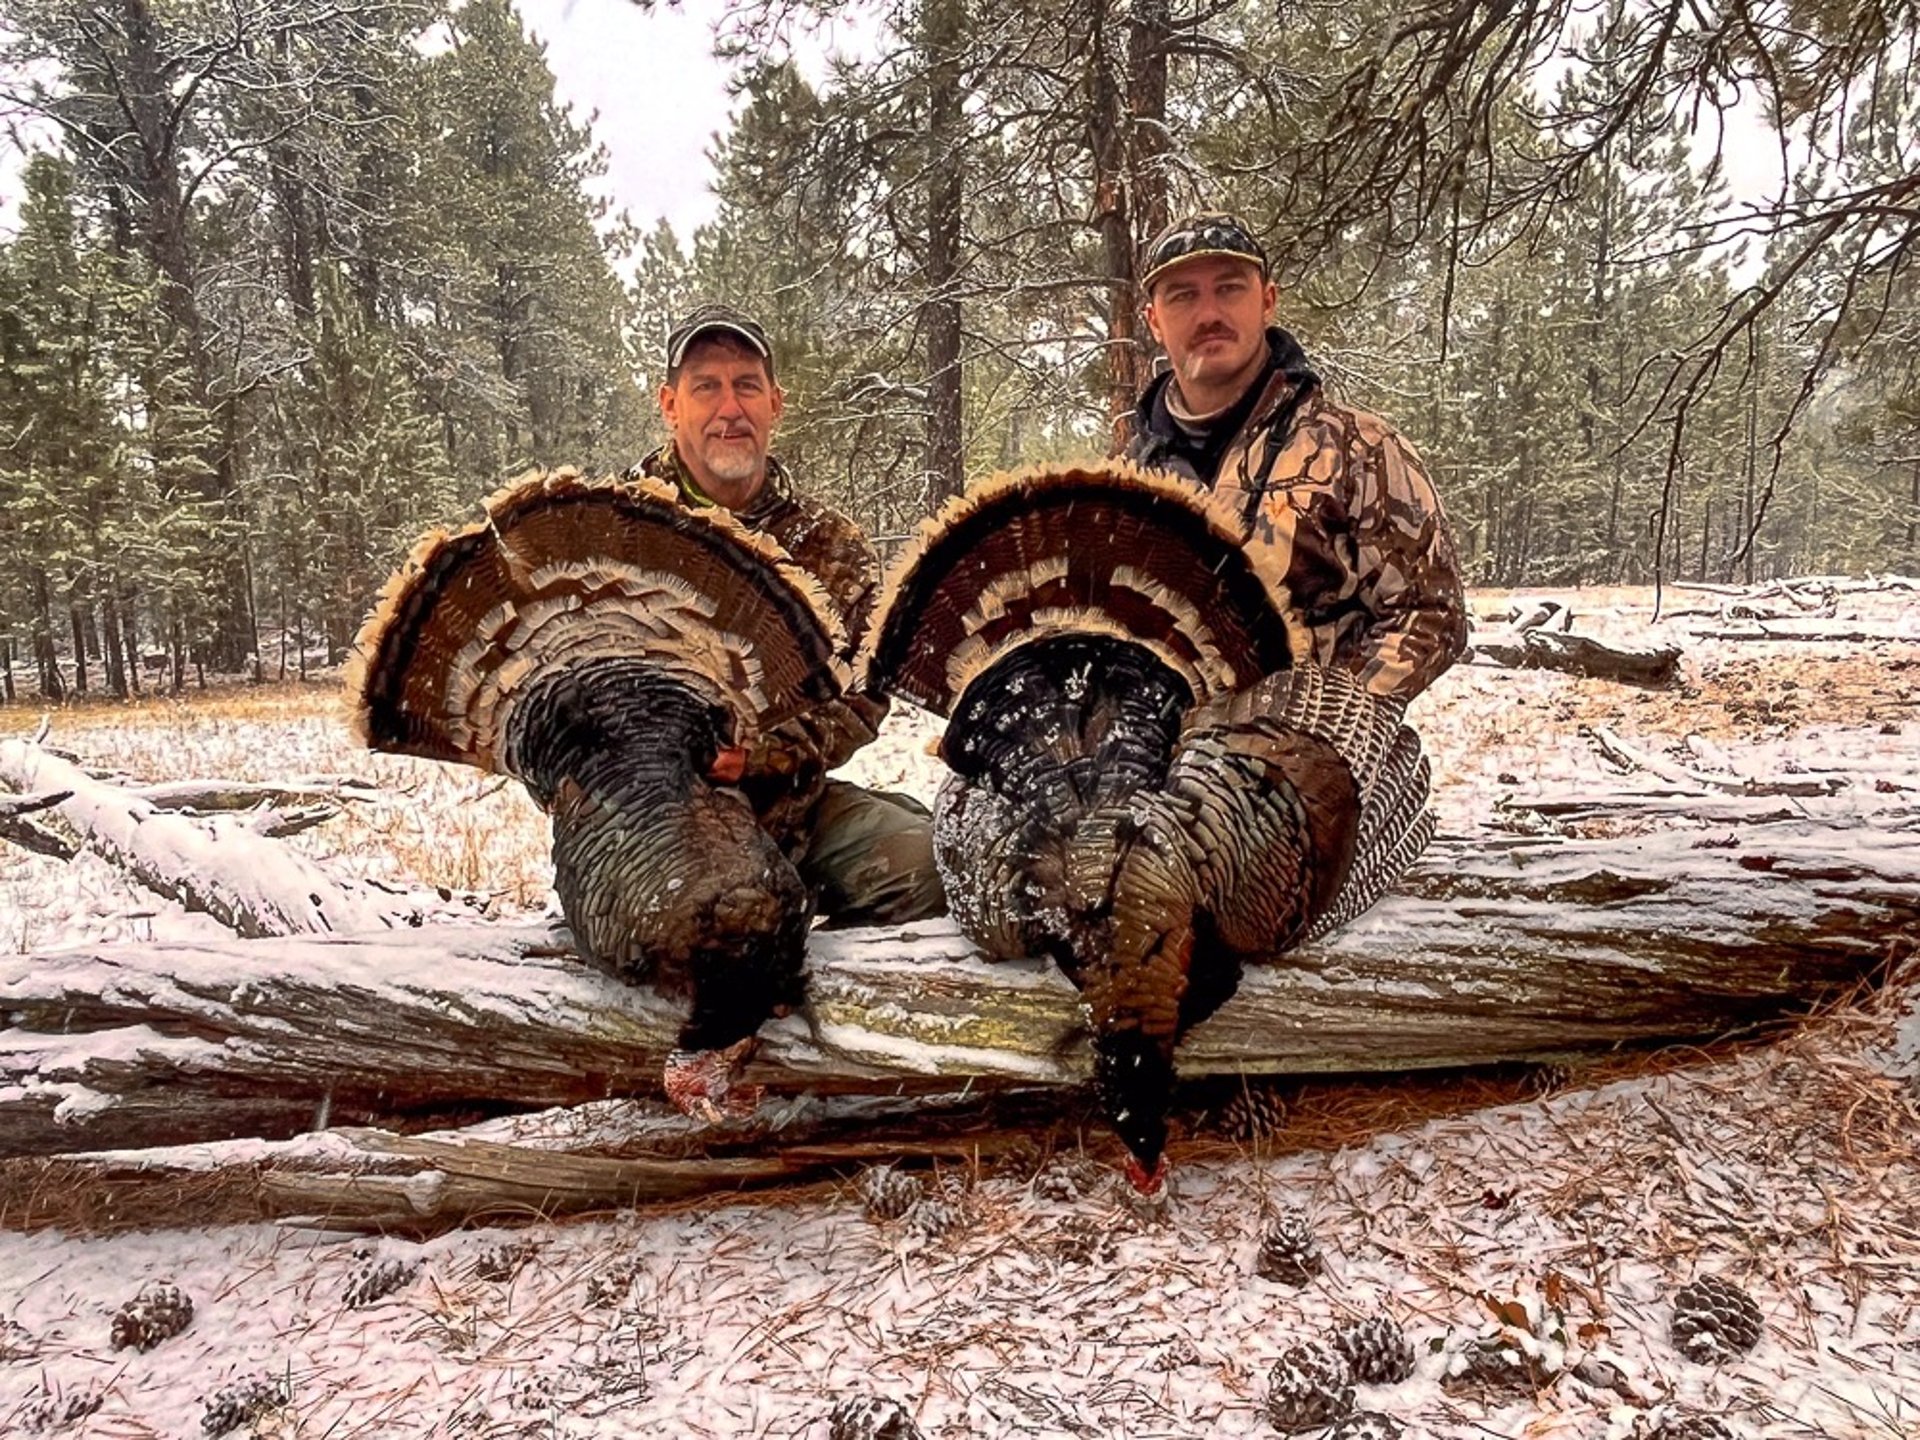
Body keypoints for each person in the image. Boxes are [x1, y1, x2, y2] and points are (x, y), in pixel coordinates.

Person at [630, 303, 944, 926]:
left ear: (776, 402)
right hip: (647, 823)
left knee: (936, 864)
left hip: (790, 810)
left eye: (747, 385)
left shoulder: (827, 543)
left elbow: (861, 698)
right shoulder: (611, 530)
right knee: (705, 925)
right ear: (670, 405)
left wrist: (764, 754)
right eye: (706, 388)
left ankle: (817, 957)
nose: (730, 409)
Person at [1122, 212, 1469, 701]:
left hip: (1311, 764)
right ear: (1154, 320)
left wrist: (1320, 724)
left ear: (1267, 302)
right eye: (1183, 295)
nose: (1208, 314)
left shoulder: (1358, 448)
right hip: (1164, 767)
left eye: (1229, 288)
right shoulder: (1125, 482)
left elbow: (1431, 612)